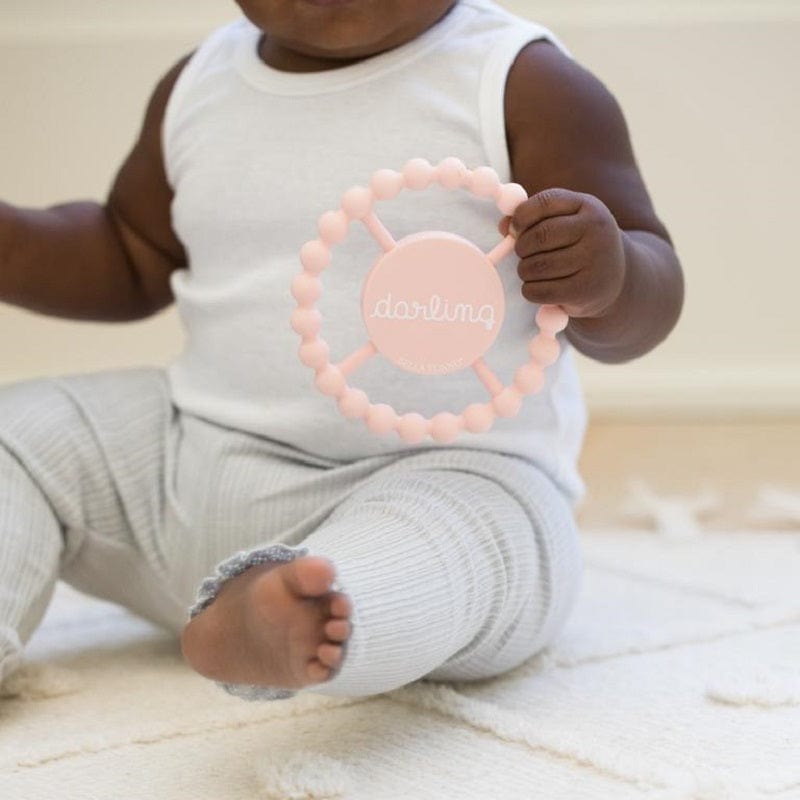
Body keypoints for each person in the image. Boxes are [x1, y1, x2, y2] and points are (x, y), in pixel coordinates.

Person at [0, 0, 683, 701]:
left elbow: (651, 291)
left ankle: (312, 611)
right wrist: (14, 244)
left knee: (489, 544)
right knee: (20, 436)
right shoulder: (196, 85)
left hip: (443, 477)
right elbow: (129, 253)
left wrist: (614, 276)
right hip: (185, 471)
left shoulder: (523, 83)